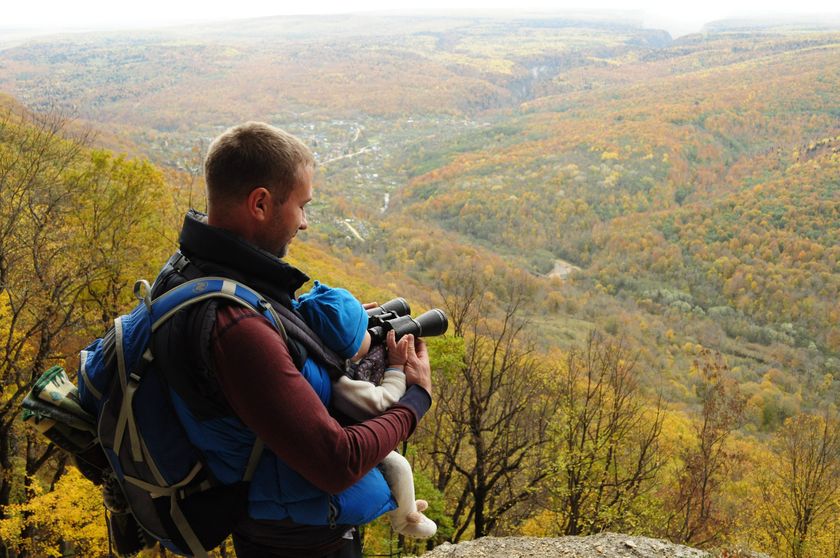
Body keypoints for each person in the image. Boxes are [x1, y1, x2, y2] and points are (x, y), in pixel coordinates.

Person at [149, 121, 433, 558]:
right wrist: (415, 398)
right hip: (298, 541)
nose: (304, 223)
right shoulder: (235, 327)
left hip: (271, 523)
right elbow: (338, 462)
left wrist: (356, 325)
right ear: (260, 203)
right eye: (301, 206)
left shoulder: (192, 271)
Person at [295, 281, 437, 538]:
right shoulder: (340, 382)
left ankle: (404, 501)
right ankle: (407, 520)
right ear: (346, 345)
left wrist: (353, 318)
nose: (370, 335)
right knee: (399, 466)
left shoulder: (320, 356)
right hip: (346, 442)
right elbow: (382, 404)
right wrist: (395, 368)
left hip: (334, 442)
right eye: (364, 331)